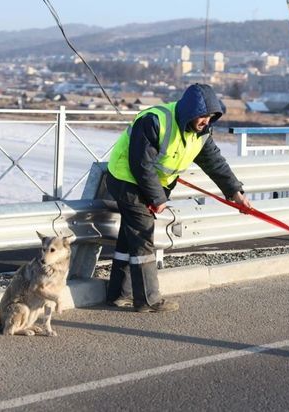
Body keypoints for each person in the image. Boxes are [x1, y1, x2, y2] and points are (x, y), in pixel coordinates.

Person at [105, 83, 252, 313]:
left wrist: (235, 192)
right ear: (190, 112)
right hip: (126, 178)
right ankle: (148, 300)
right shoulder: (155, 120)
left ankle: (118, 294)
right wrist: (157, 198)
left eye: (211, 117)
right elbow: (141, 164)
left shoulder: (201, 133)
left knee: (130, 235)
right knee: (143, 234)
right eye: (203, 116)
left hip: (151, 184)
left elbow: (215, 163)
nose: (206, 121)